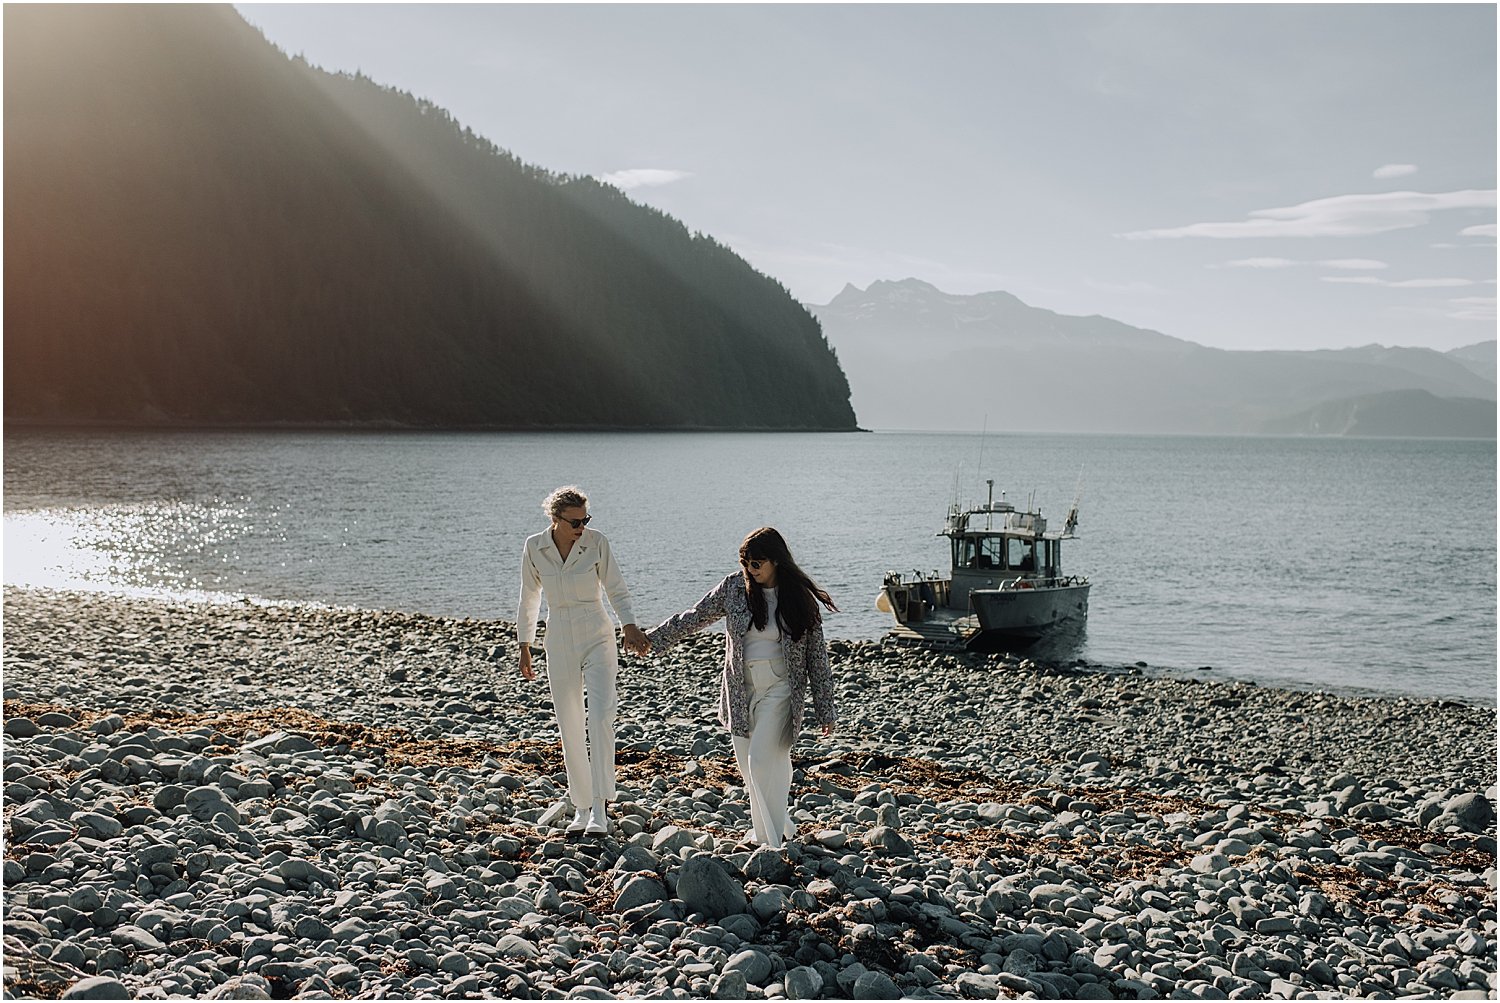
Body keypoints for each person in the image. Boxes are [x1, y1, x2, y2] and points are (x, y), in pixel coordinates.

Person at [644, 527, 837, 849]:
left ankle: (768, 842)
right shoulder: (734, 588)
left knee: (759, 762)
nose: (750, 569)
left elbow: (817, 658)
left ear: (776, 560)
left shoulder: (799, 597)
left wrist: (825, 709)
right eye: (745, 562)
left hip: (780, 690)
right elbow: (695, 616)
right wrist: (652, 639)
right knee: (752, 769)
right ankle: (782, 826)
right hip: (740, 690)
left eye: (756, 563)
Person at [517, 486, 648, 835]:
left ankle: (600, 807)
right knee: (570, 723)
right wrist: (524, 644)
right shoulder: (535, 547)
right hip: (558, 636)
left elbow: (615, 587)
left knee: (601, 716)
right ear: (555, 519)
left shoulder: (596, 542)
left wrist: (629, 625)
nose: (581, 527)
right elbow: (529, 597)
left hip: (597, 634)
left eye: (585, 520)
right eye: (575, 522)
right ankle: (582, 805)